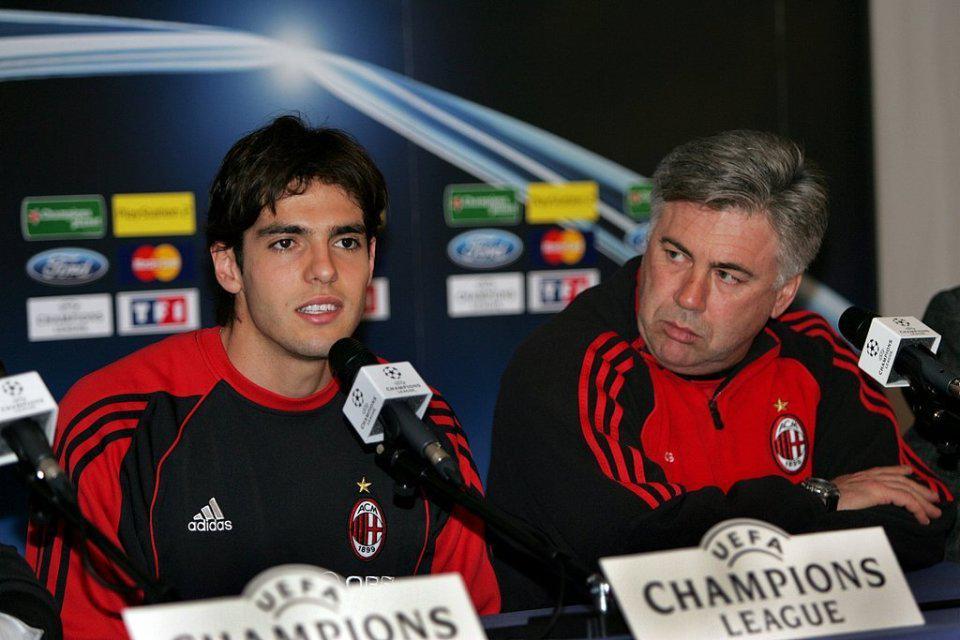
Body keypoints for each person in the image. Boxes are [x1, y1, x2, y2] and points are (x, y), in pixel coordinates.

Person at [26, 115, 499, 638]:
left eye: (345, 241)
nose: (324, 269)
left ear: (370, 259)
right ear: (228, 266)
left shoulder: (417, 421)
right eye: (286, 242)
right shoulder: (120, 423)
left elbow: (480, 623)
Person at [486, 129, 954, 610]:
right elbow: (629, 547)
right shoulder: (569, 362)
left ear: (782, 295)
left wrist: (716, 533)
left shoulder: (813, 356)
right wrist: (818, 499)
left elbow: (920, 515)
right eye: (675, 255)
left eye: (727, 275)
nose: (688, 297)